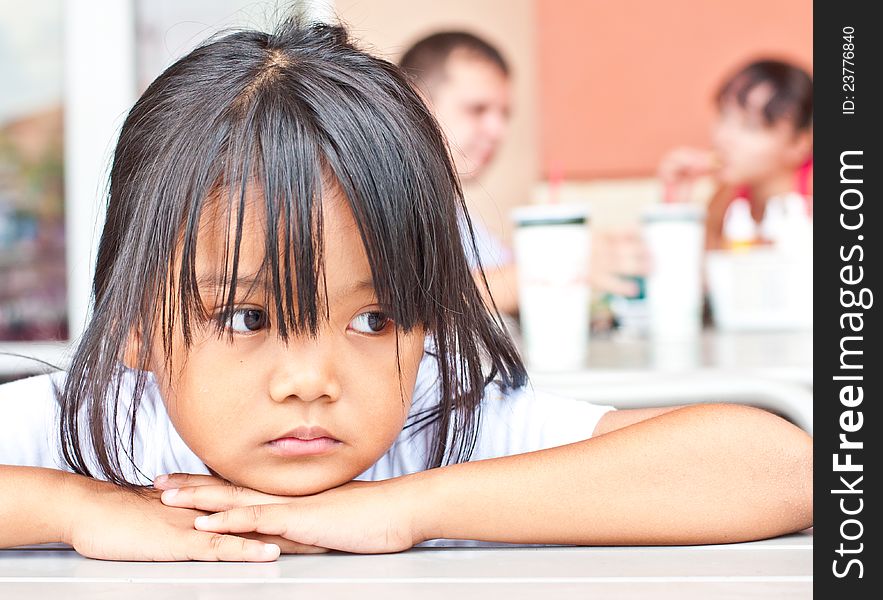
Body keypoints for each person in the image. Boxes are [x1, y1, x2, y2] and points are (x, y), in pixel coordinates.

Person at [0, 20, 811, 561]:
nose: (311, 379)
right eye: (247, 316)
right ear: (136, 321)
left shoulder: (442, 422)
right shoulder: (92, 428)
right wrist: (75, 511)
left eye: (376, 315)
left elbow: (782, 469)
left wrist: (408, 506)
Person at [399, 32, 648, 313]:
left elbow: (495, 277)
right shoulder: (388, 197)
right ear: (416, 102)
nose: (498, 131)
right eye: (477, 109)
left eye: (504, 114)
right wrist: (563, 263)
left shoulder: (453, 211)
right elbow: (421, 301)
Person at [658, 59, 813, 250]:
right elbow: (707, 272)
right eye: (724, 115)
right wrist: (677, 207)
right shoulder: (727, 198)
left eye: (750, 126)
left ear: (799, 144)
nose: (723, 137)